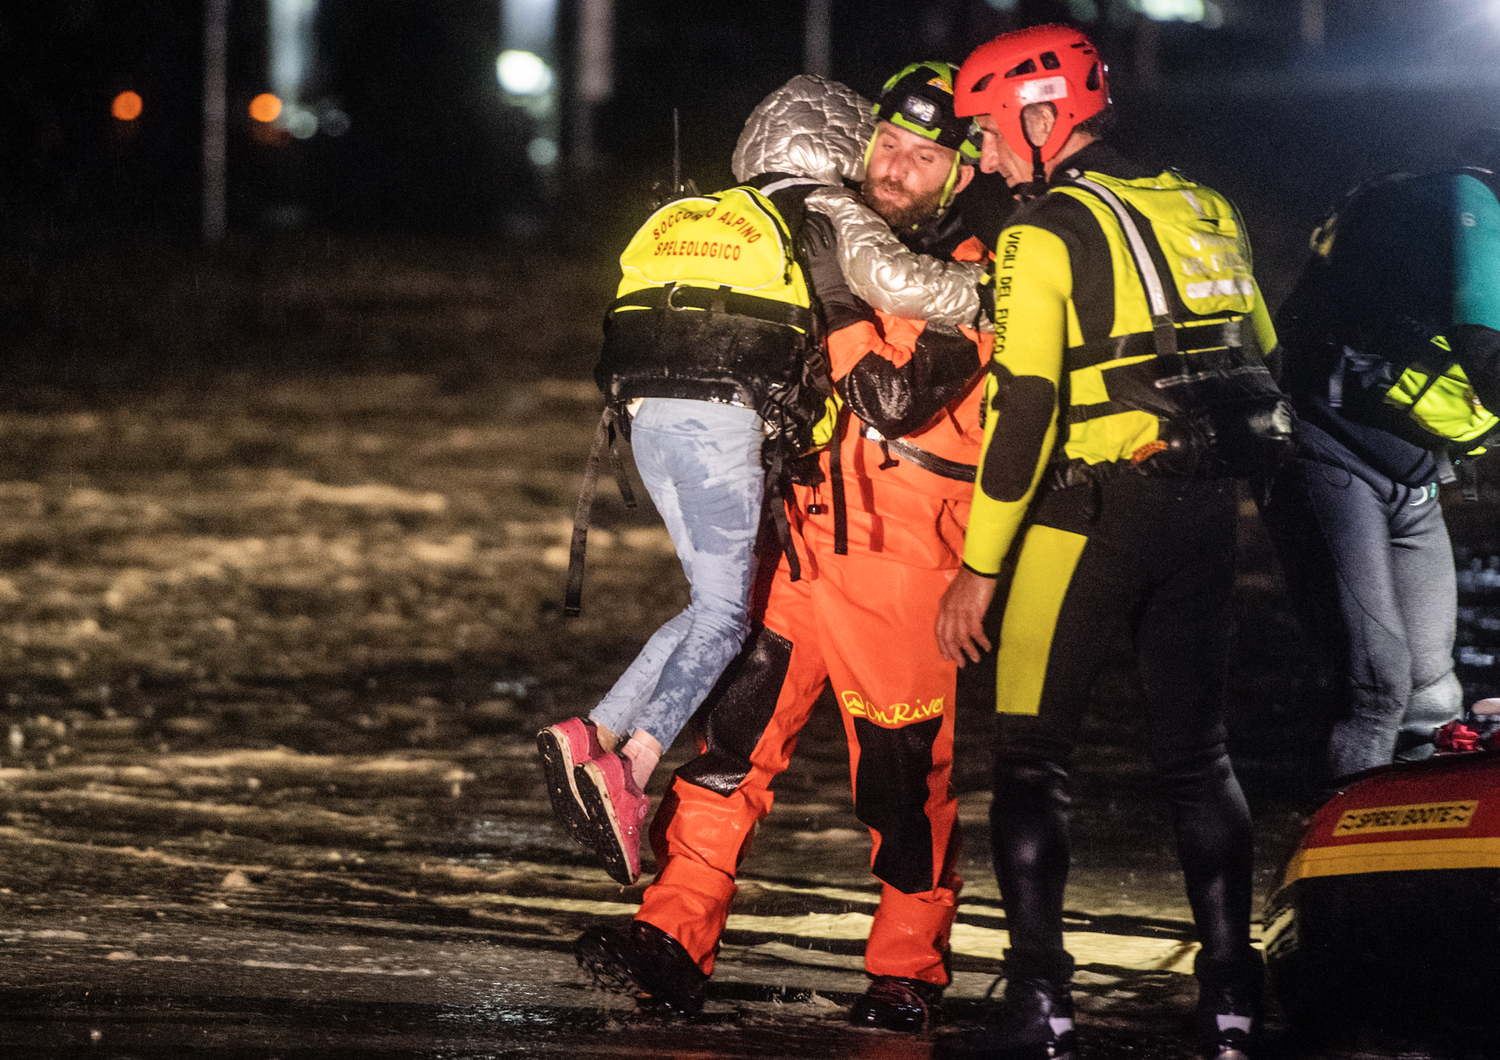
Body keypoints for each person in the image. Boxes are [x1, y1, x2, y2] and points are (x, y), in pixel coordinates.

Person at [574, 63, 998, 1033]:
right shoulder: (834, 239)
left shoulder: (977, 272)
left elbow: (895, 396)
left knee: (901, 784)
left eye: (923, 155)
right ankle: (672, 936)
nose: (894, 165)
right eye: (885, 142)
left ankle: (906, 970)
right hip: (797, 540)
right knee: (731, 750)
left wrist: (837, 295)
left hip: (905, 569)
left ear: (960, 168)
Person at [933, 24, 1289, 1060]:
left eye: (993, 134)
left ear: (1045, 121)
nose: (986, 159)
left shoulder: (1038, 236)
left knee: (1032, 758)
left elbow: (1026, 410)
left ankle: (1040, 1000)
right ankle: (1232, 998)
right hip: (1203, 513)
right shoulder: (1205, 206)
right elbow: (1263, 354)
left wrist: (979, 568)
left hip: (1083, 514)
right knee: (1198, 756)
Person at [1259, 129, 1500, 789]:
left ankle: (1407, 873)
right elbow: (1485, 352)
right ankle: (1333, 885)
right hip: (1331, 456)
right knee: (1377, 690)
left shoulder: (1446, 196)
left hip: (1411, 473)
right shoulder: (1465, 200)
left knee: (1436, 697)